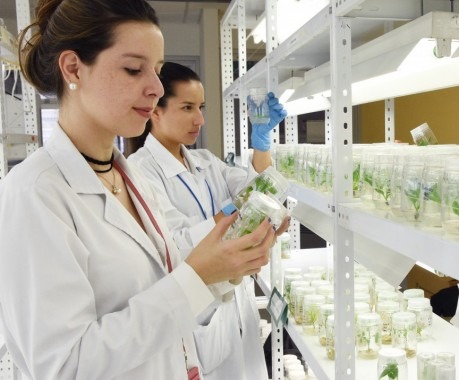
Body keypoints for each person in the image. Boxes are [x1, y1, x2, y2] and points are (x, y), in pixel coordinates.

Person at [0, 1, 276, 379]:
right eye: (134, 69)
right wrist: (198, 276)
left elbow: (160, 290)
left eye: (158, 72)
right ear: (73, 68)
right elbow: (63, 367)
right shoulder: (34, 194)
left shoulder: (129, 178)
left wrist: (225, 268)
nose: (156, 88)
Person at [127, 62, 289, 379]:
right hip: (197, 316)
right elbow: (176, 242)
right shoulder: (140, 170)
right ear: (155, 111)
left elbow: (257, 188)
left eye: (200, 107)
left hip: (236, 310)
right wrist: (241, 213)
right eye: (187, 107)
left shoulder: (204, 161)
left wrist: (261, 144)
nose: (199, 119)